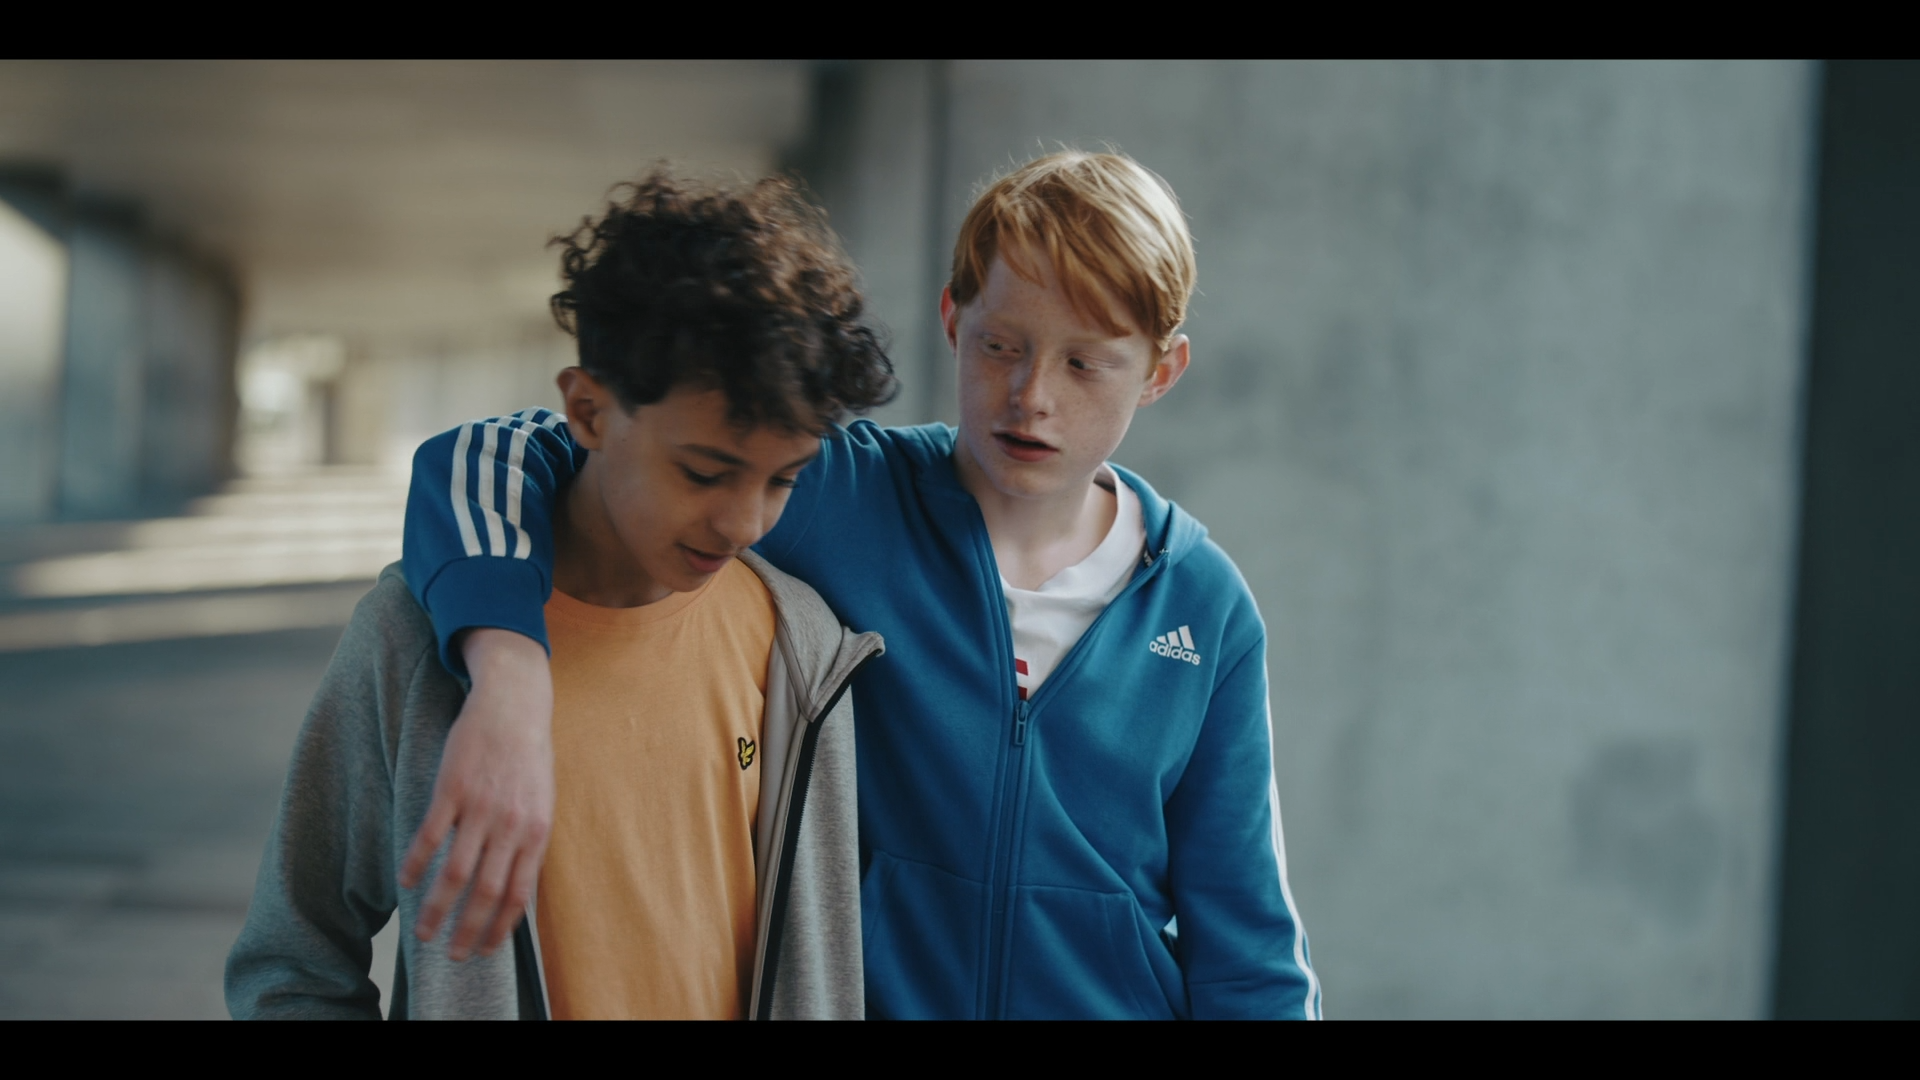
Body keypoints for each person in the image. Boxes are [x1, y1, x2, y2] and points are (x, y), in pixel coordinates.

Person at [402, 151, 1321, 1018]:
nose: (1031, 395)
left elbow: (1248, 939)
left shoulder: (1200, 607)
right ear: (952, 319)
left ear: (1161, 371)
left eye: (1084, 363)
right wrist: (509, 676)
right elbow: (494, 456)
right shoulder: (839, 492)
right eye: (1000, 345)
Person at [226, 173, 894, 1019]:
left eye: (783, 480)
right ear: (587, 410)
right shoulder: (415, 638)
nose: (743, 523)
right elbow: (295, 957)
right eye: (703, 472)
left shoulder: (802, 648)